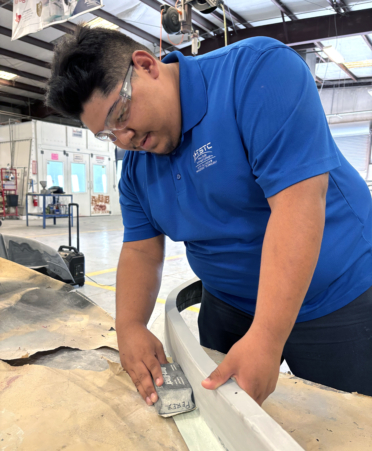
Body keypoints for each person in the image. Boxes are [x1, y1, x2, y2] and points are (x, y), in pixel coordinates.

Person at [46, 25, 372, 407]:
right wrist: (130, 326)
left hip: (334, 297)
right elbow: (141, 251)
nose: (125, 138)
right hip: (229, 302)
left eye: (121, 114)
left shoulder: (257, 74)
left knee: (347, 422)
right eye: (107, 134)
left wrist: (266, 336)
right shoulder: (136, 169)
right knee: (220, 415)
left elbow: (298, 204)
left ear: (146, 65)